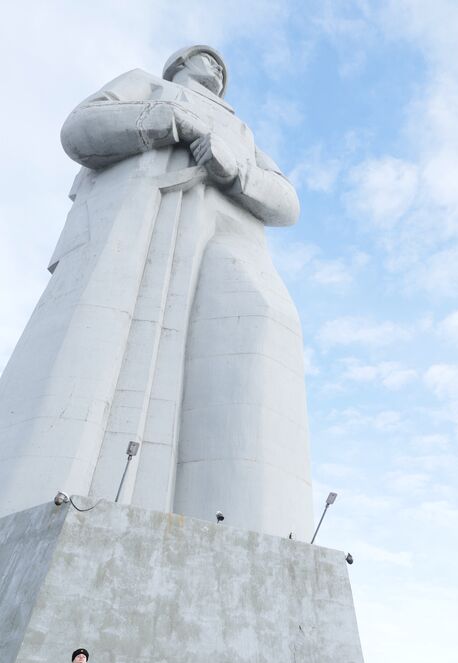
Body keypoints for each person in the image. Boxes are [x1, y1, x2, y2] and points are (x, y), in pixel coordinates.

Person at [0, 46, 313, 540]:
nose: (218, 67)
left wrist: (237, 169)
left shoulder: (243, 133)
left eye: (222, 66)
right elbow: (80, 128)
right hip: (131, 228)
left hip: (221, 239)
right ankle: (42, 501)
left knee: (258, 327)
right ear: (179, 64)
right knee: (87, 369)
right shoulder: (147, 84)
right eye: (206, 58)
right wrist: (172, 120)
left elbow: (287, 201)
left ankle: (244, 531)